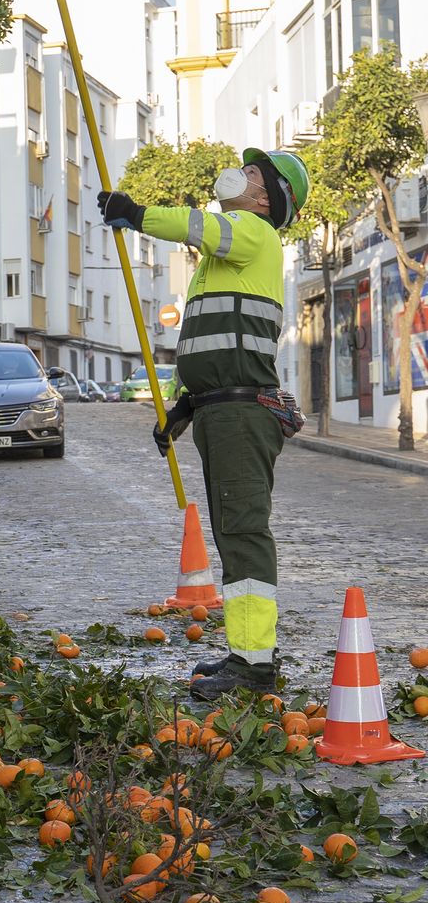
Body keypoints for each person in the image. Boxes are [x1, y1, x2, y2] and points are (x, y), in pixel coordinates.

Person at [98, 146, 309, 700]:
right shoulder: (221, 264)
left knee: (242, 533)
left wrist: (137, 213)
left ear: (266, 197)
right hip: (221, 408)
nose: (242, 173)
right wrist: (182, 406)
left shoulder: (253, 233)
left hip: (242, 414)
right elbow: (212, 344)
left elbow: (197, 225)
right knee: (229, 532)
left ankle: (256, 667)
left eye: (254, 172)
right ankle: (245, 651)